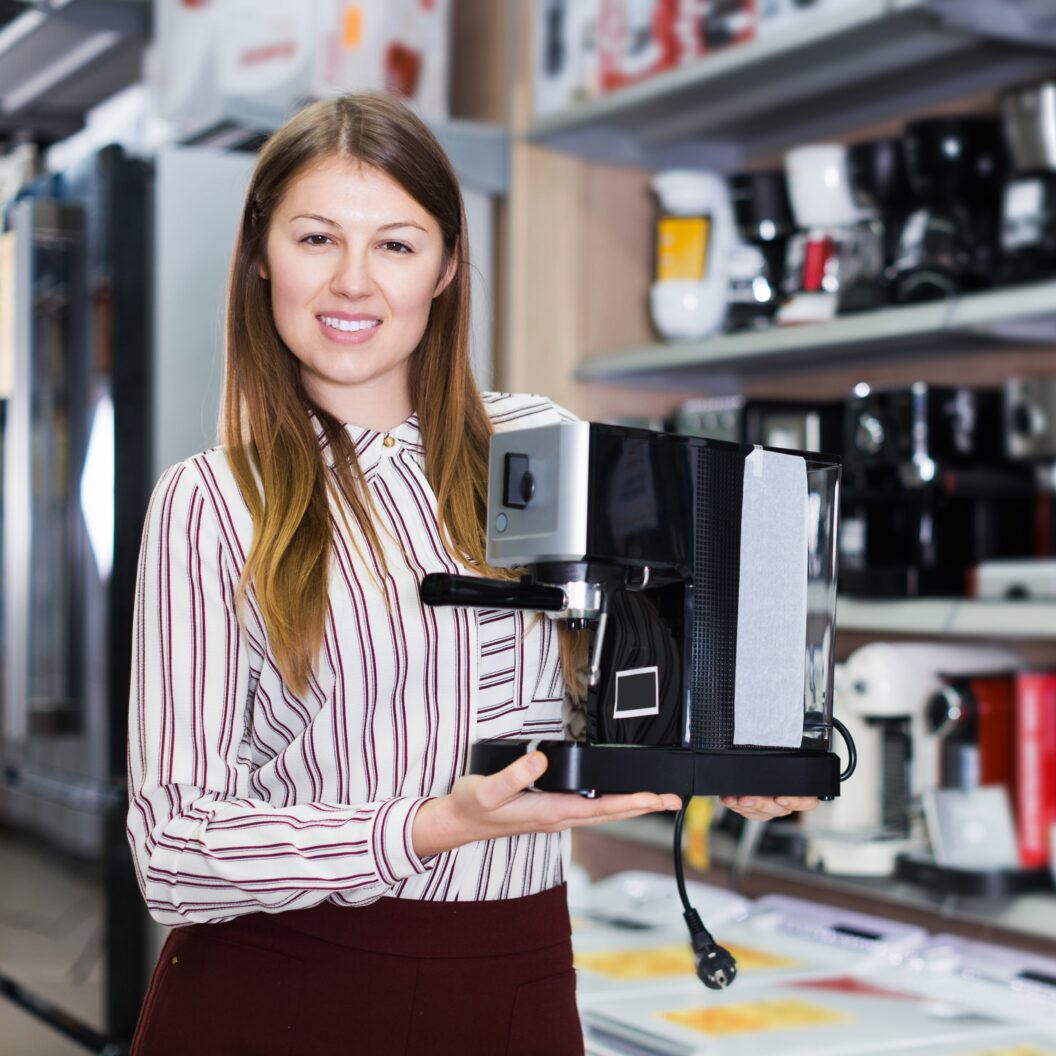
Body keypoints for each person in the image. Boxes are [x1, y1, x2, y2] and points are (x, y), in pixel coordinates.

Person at [126, 90, 817, 1056]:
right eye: (317, 239)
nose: (353, 283)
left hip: (513, 982)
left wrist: (742, 757)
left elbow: (648, 667)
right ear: (262, 256)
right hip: (280, 989)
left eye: (396, 245)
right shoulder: (210, 502)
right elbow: (172, 853)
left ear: (447, 267)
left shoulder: (543, 446)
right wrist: (428, 826)